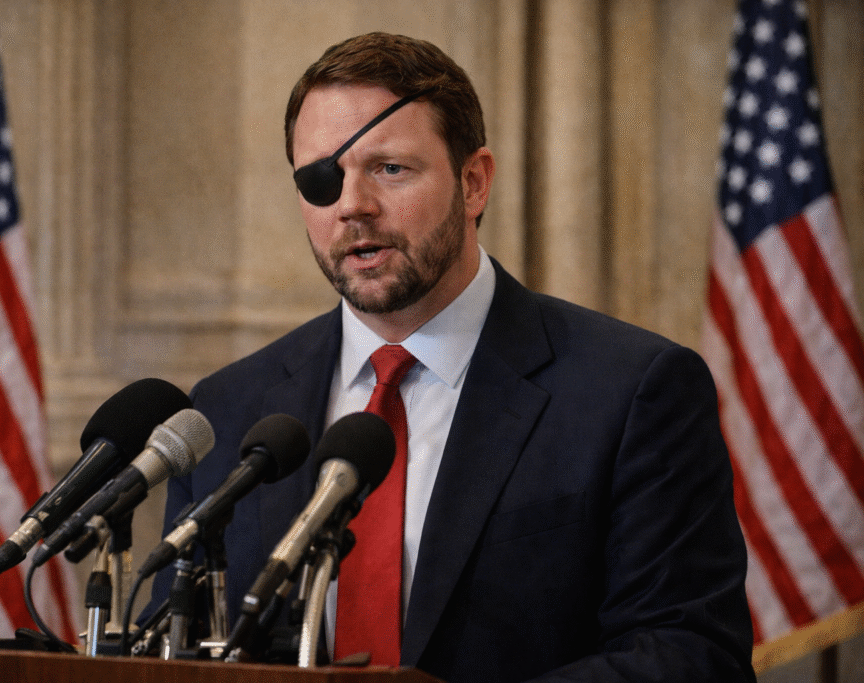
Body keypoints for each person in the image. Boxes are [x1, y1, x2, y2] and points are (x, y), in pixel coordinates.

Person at [149, 32, 756, 682]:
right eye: (322, 178)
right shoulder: (228, 411)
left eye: (389, 168)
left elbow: (691, 656)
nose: (352, 205)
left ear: (473, 183)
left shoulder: (634, 391)